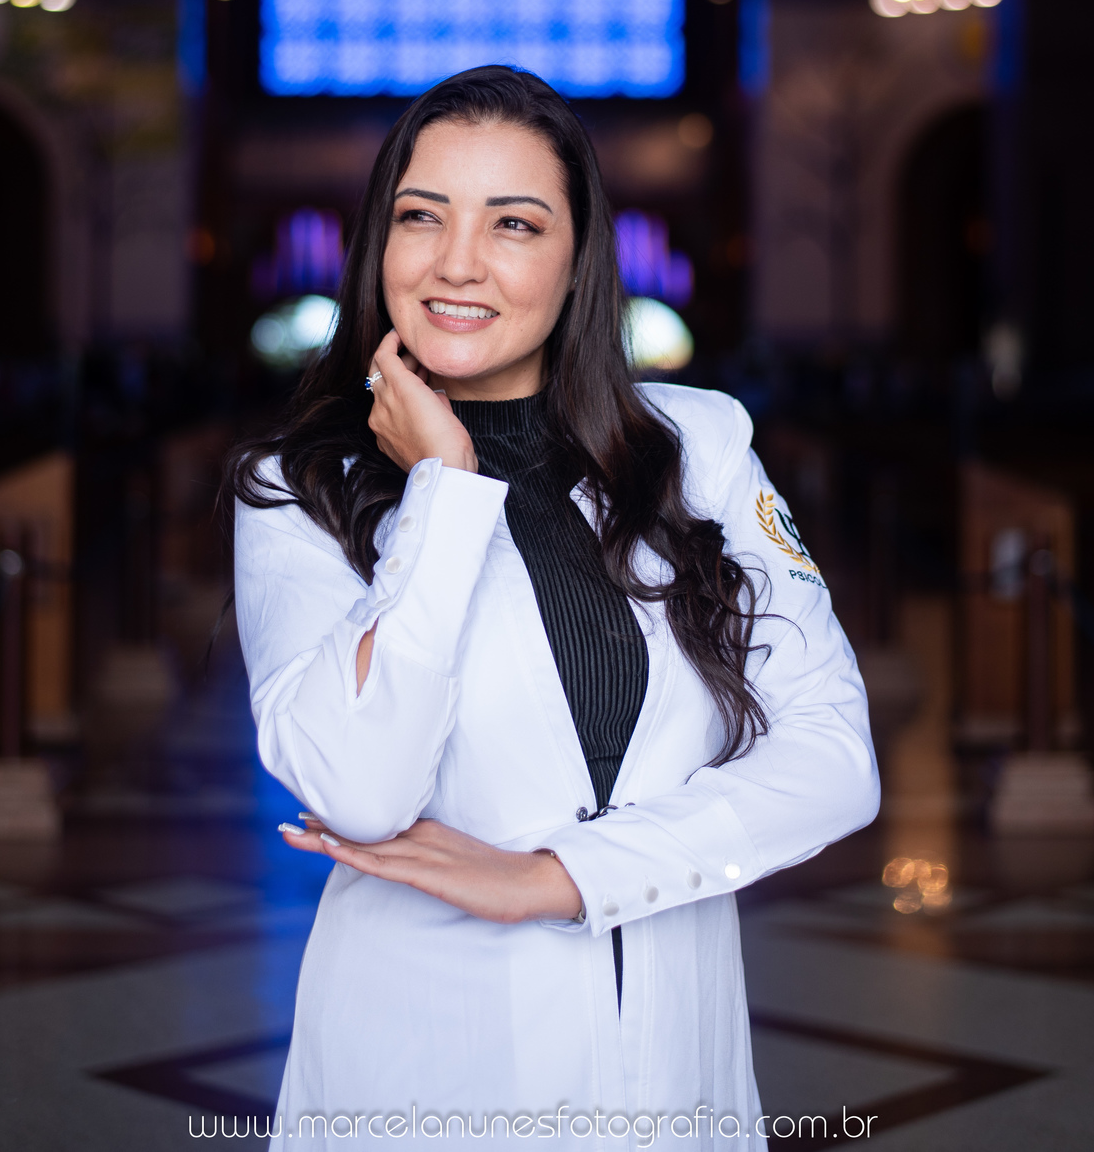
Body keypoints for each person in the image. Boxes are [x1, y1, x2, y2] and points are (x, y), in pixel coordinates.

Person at [231, 65, 878, 1140]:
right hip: (422, 1069)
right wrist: (443, 492)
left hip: (674, 1070)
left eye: (514, 224)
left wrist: (562, 877)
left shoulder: (698, 446)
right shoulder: (298, 488)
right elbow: (359, 787)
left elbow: (833, 759)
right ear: (377, 247)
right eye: (420, 217)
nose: (456, 263)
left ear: (579, 259)